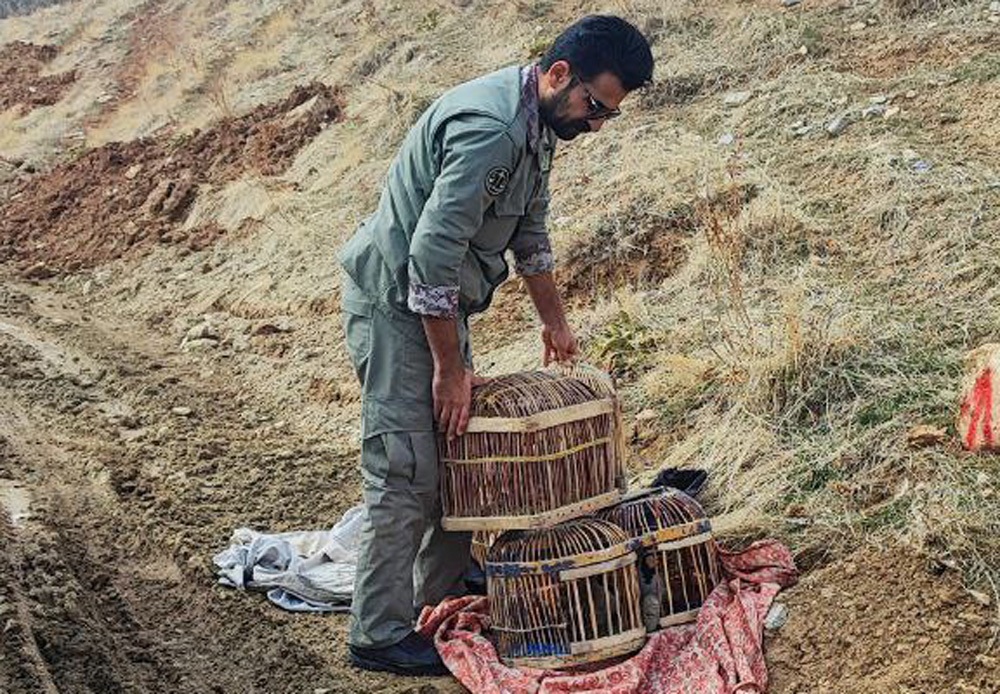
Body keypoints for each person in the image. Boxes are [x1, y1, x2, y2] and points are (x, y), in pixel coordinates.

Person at [338, 14, 654, 676]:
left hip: (439, 305)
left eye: (608, 116)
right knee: (405, 468)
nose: (595, 124)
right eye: (593, 107)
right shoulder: (492, 129)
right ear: (559, 73)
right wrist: (451, 368)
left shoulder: (541, 125)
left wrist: (554, 323)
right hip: (399, 303)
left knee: (457, 451)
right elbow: (428, 257)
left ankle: (440, 594)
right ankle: (378, 632)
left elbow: (529, 232)